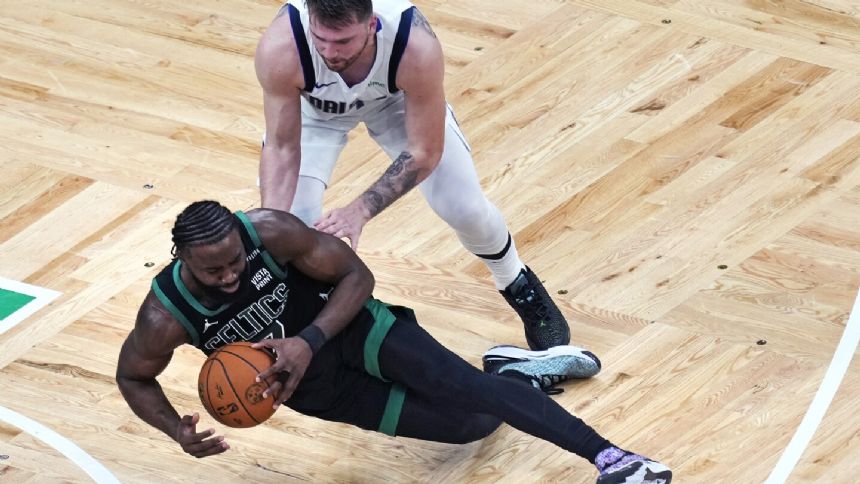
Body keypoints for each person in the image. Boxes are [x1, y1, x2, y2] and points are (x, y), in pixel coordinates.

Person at [115, 201, 672, 484]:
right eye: (213, 271)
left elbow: (357, 276)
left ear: (243, 239)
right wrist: (175, 429)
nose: (231, 275)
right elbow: (133, 376)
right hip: (319, 392)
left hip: (359, 331)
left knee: (470, 390)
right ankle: (515, 373)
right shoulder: (166, 316)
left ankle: (613, 459)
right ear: (181, 260)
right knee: (470, 424)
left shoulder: (272, 231)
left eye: (236, 260)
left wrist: (309, 339)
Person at [255, 0, 570, 351]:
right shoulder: (282, 46)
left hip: (396, 100)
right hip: (315, 109)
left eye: (342, 41)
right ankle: (317, 326)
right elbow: (282, 149)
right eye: (320, 38)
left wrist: (359, 210)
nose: (330, 52)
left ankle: (518, 283)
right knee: (293, 226)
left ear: (372, 24)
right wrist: (273, 232)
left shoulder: (414, 44)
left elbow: (424, 152)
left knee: (464, 208)